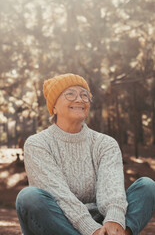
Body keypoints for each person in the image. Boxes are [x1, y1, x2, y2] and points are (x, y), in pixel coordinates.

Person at [16, 73, 155, 235]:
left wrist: (113, 220)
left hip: (102, 224)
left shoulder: (105, 143)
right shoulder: (38, 143)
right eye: (70, 94)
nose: (80, 99)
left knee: (147, 186)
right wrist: (91, 230)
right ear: (53, 106)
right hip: (59, 224)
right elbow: (58, 194)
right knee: (29, 197)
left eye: (85, 95)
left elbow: (111, 188)